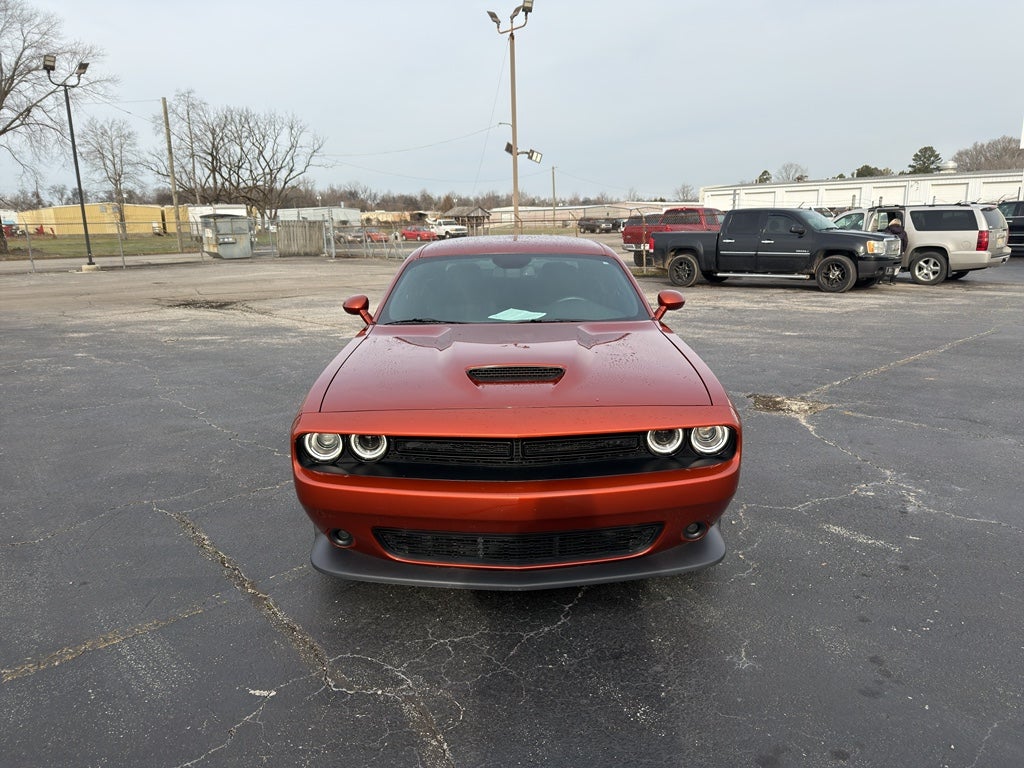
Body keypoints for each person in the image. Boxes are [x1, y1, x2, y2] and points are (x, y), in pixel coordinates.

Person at [884, 217, 908, 283]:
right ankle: (892, 280)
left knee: (885, 264)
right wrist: (903, 250)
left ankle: (880, 279)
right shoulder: (903, 232)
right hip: (898, 251)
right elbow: (905, 242)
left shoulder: (887, 230)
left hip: (887, 251)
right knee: (896, 266)